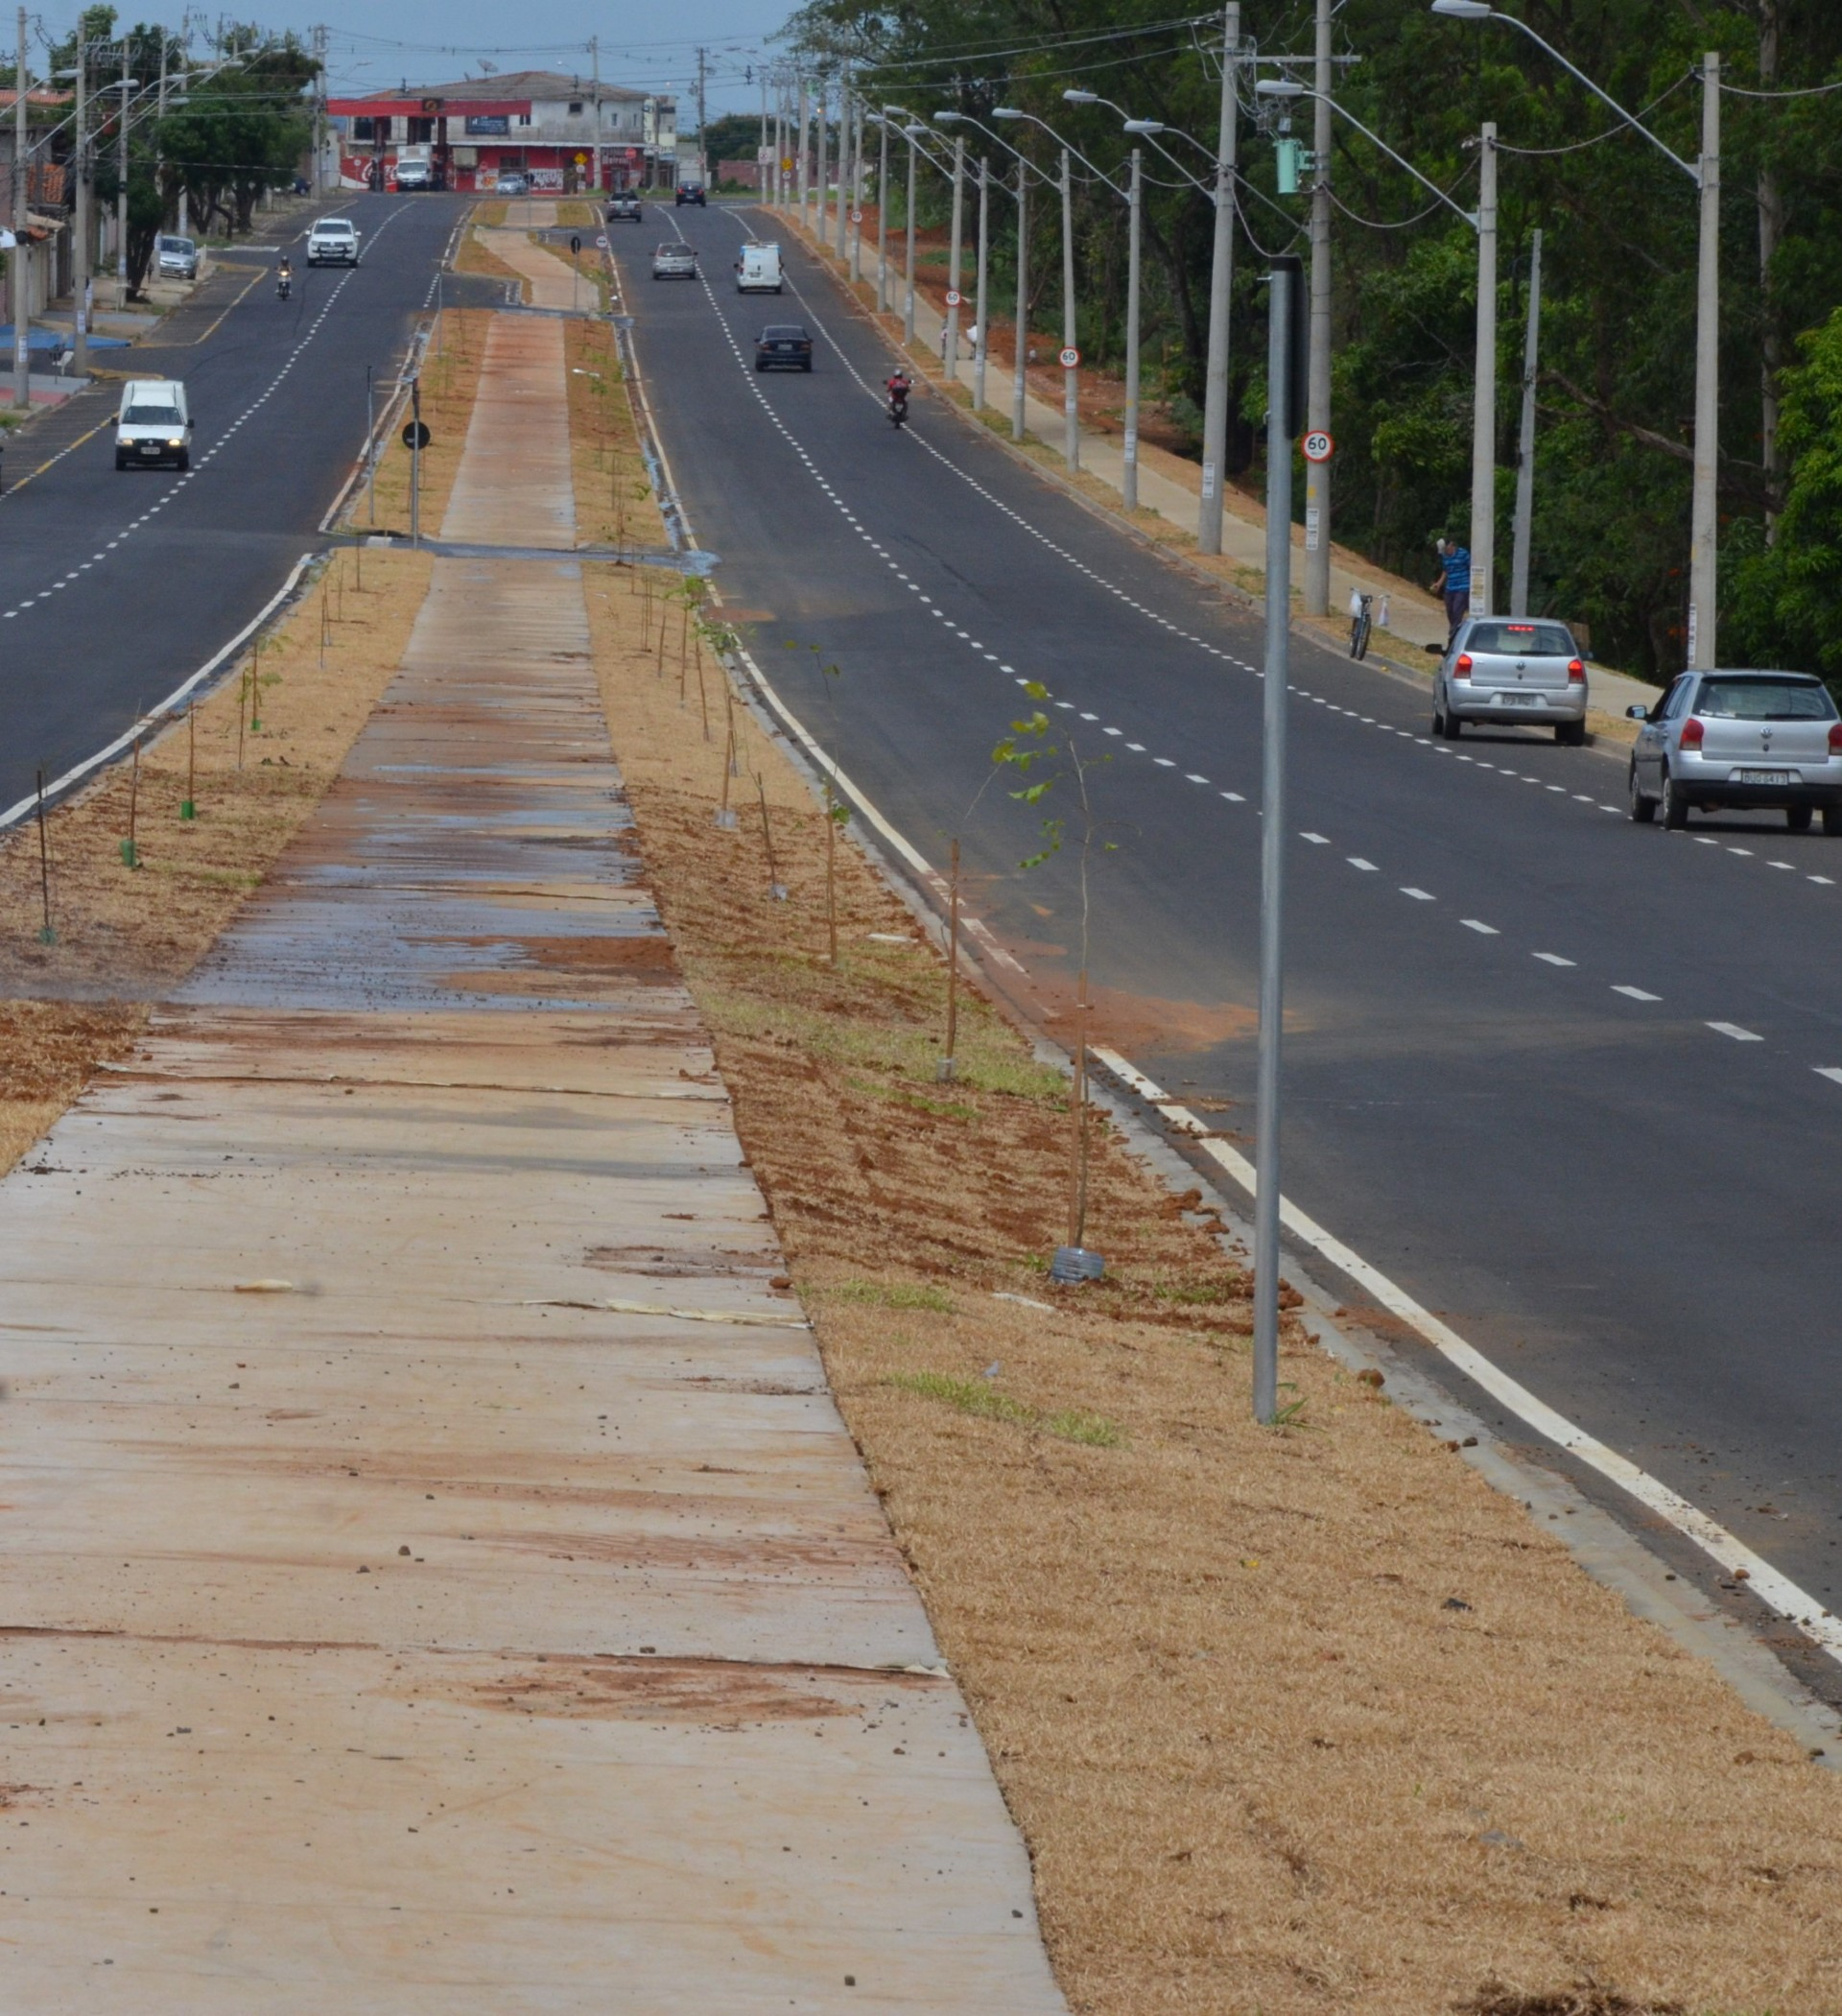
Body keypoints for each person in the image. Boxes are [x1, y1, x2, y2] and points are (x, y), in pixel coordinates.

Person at [1431, 535, 1471, 641]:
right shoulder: (1445, 556)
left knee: (1457, 610)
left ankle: (1453, 635)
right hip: (1450, 587)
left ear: (1451, 545)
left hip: (1463, 587)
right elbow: (1446, 571)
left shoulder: (1463, 554)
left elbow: (1471, 567)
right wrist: (1439, 583)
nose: (1445, 552)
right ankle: (1456, 630)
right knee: (1450, 612)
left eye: (1445, 549)